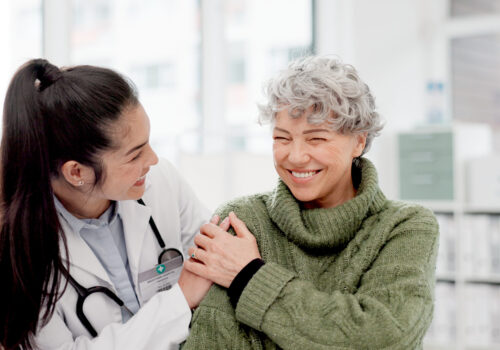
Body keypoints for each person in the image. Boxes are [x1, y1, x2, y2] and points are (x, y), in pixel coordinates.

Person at [182, 56, 439, 349]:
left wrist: (249, 277)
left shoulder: (406, 226)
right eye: (282, 137)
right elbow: (213, 342)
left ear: (358, 141)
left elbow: (386, 337)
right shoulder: (242, 220)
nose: (296, 156)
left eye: (316, 139)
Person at [0, 59, 225, 350]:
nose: (153, 160)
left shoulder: (162, 183)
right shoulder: (18, 249)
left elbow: (217, 264)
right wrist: (179, 301)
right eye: (134, 155)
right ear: (76, 172)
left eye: (148, 143)